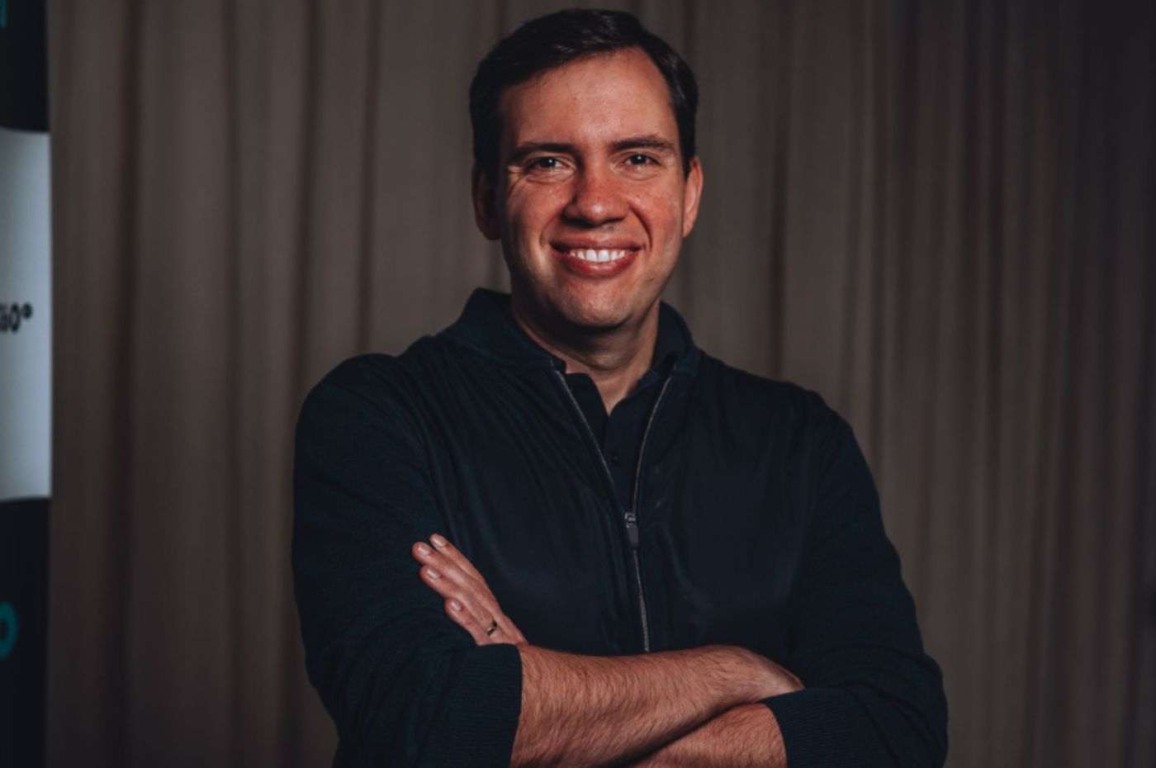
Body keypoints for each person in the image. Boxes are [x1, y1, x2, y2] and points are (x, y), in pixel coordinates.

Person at [293, 9, 947, 767]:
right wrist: (737, 675)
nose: (596, 203)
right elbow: (423, 721)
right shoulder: (379, 416)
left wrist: (534, 708)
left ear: (690, 192)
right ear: (486, 198)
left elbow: (899, 729)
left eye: (637, 158)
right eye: (547, 162)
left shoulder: (800, 442)